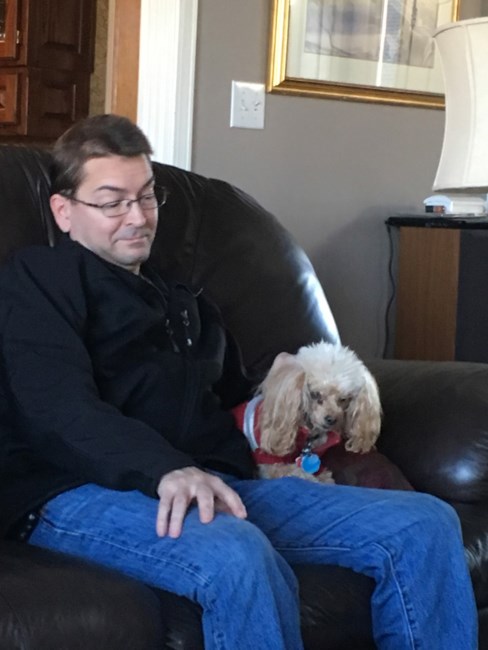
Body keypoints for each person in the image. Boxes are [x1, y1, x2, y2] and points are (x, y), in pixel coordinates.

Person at [0, 114, 477, 650]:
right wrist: (165, 469)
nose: (137, 217)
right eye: (112, 202)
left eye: (147, 197)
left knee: (426, 525)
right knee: (235, 553)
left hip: (216, 486)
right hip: (77, 490)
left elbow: (230, 401)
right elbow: (56, 407)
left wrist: (278, 389)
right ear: (63, 211)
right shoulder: (40, 279)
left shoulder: (185, 303)